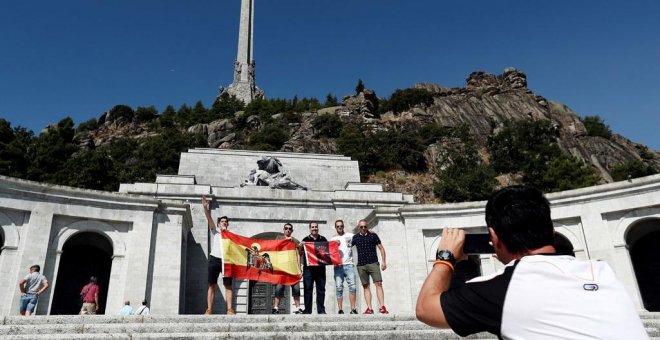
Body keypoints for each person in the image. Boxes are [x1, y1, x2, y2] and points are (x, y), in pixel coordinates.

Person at [416, 185, 648, 339]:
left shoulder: (502, 289)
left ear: (494, 237)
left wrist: (445, 258)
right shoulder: (603, 272)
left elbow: (426, 309)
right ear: (552, 229)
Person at [202, 196, 235, 315]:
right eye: (222, 221)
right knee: (212, 284)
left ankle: (230, 309)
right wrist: (205, 208)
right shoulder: (215, 231)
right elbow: (209, 218)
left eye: (226, 222)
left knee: (228, 285)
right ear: (219, 224)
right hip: (215, 259)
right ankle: (209, 309)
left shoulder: (231, 235)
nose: (224, 223)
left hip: (227, 260)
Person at [352, 219, 388, 314]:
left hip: (373, 263)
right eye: (361, 227)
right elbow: (347, 247)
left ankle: (382, 307)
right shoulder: (355, 238)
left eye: (365, 226)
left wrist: (384, 262)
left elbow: (381, 248)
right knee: (366, 286)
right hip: (361, 265)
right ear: (358, 228)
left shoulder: (373, 235)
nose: (363, 228)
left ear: (367, 227)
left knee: (378, 284)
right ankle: (369, 308)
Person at [272, 223, 303, 314]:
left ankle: (298, 308)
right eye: (286, 228)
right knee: (279, 288)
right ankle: (276, 307)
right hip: (282, 268)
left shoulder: (294, 241)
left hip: (293, 268)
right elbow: (275, 246)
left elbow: (298, 254)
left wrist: (299, 268)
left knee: (296, 288)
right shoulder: (279, 238)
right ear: (283, 230)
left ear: (292, 231)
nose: (288, 230)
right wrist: (286, 240)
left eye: (290, 229)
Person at [331, 219, 357, 314]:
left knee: (353, 287)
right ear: (336, 228)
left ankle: (353, 309)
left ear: (343, 226)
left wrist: (369, 231)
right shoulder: (332, 239)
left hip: (349, 265)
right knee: (339, 287)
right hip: (338, 266)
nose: (339, 228)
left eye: (341, 226)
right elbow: (327, 252)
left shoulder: (350, 235)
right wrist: (334, 245)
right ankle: (340, 309)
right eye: (338, 226)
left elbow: (360, 236)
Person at [301, 222, 327, 314]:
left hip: (320, 269)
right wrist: (300, 246)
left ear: (318, 228)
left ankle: (321, 310)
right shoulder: (305, 239)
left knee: (321, 289)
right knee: (307, 289)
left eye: (316, 227)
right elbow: (300, 253)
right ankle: (307, 310)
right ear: (310, 228)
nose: (314, 228)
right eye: (312, 227)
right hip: (308, 269)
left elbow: (328, 252)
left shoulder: (323, 239)